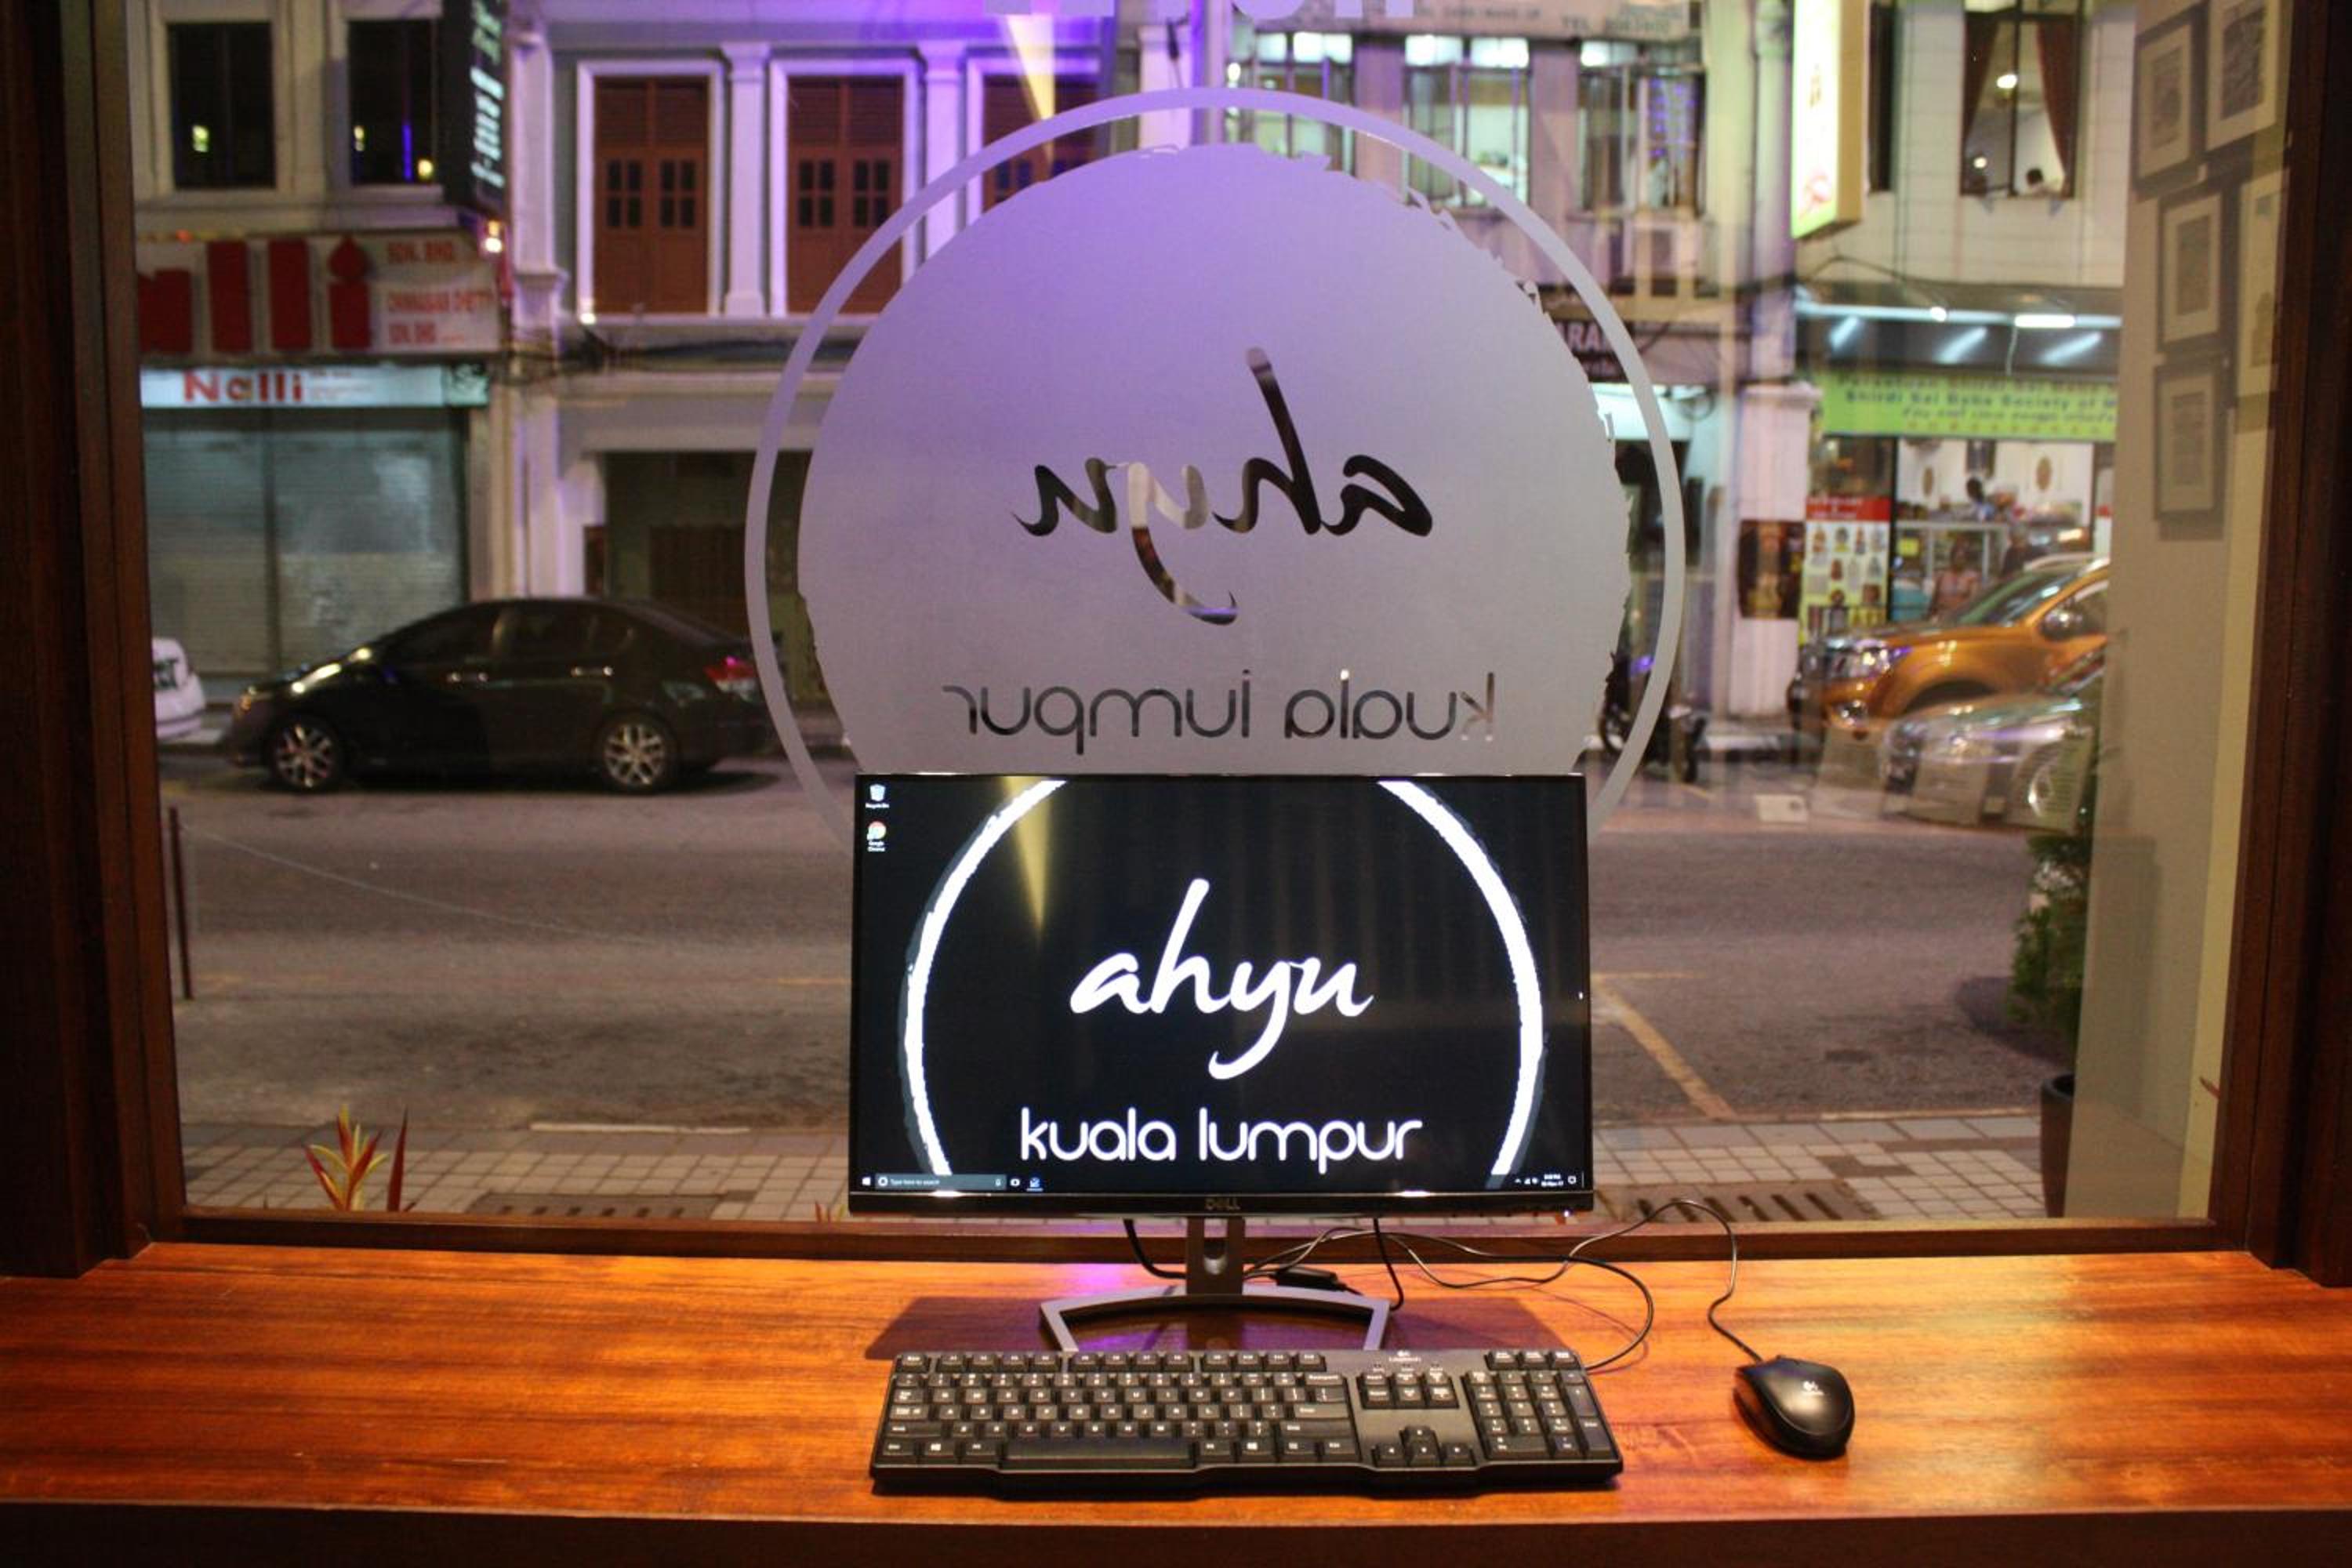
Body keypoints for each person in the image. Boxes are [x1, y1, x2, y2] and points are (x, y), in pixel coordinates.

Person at [1930, 541, 1982, 618]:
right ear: (1952, 559)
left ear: (1966, 560)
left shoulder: (1972, 577)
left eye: (1962, 558)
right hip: (1942, 617)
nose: (1960, 561)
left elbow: (1974, 601)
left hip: (1961, 618)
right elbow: (1934, 600)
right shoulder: (1942, 576)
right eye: (1957, 558)